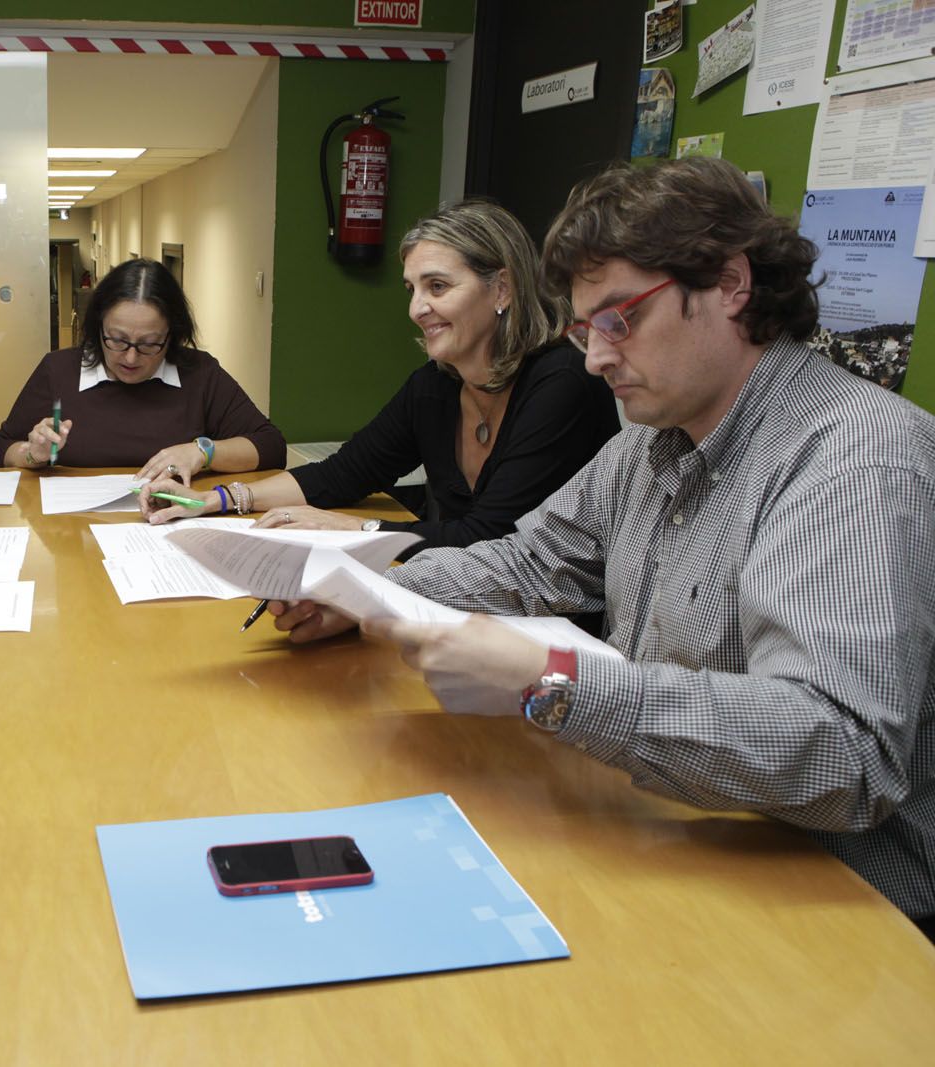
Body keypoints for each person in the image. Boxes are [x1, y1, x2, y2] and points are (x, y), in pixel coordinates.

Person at [273, 158, 935, 934]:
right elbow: (525, 562)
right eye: (586, 329)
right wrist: (363, 585)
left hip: (833, 897)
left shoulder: (855, 457)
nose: (594, 358)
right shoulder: (649, 443)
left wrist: (555, 682)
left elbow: (845, 756)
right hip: (680, 825)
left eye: (620, 319)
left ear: (730, 284)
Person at [140, 200, 618, 554]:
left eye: (438, 286)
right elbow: (345, 472)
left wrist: (351, 529)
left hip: (552, 631)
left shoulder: (562, 384)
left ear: (503, 287)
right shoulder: (435, 386)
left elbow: (491, 538)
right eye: (412, 289)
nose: (416, 308)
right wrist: (217, 501)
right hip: (464, 599)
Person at [0, 257, 286, 481]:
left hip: (167, 531)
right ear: (98, 326)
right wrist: (33, 454)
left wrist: (202, 452)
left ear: (173, 334)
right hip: (75, 534)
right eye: (117, 340)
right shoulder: (59, 370)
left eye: (149, 344)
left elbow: (271, 447)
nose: (130, 358)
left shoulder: (200, 373)